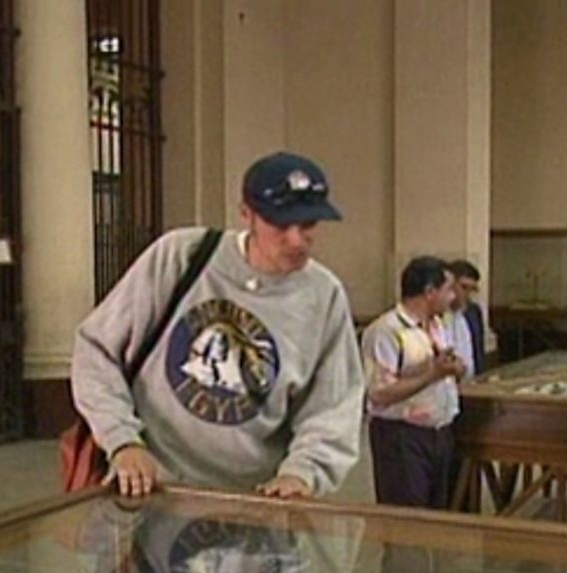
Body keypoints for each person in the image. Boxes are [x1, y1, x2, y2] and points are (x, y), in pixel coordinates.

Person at [71, 151, 364, 501]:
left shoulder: (323, 295)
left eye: (308, 225)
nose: (296, 240)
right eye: (280, 225)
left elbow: (333, 404)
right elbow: (96, 350)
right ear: (246, 214)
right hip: (151, 487)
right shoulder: (181, 256)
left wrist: (303, 472)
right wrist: (122, 441)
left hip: (253, 500)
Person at [361, 256, 466, 573]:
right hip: (402, 436)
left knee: (427, 516)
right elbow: (379, 393)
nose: (454, 296)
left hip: (438, 432)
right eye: (448, 289)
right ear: (429, 291)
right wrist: (433, 373)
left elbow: (443, 370)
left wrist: (452, 370)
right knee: (410, 521)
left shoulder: (437, 325)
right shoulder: (386, 332)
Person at [448, 259, 487, 375]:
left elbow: (478, 350)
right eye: (464, 287)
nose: (467, 294)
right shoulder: (435, 315)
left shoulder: (473, 312)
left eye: (472, 290)